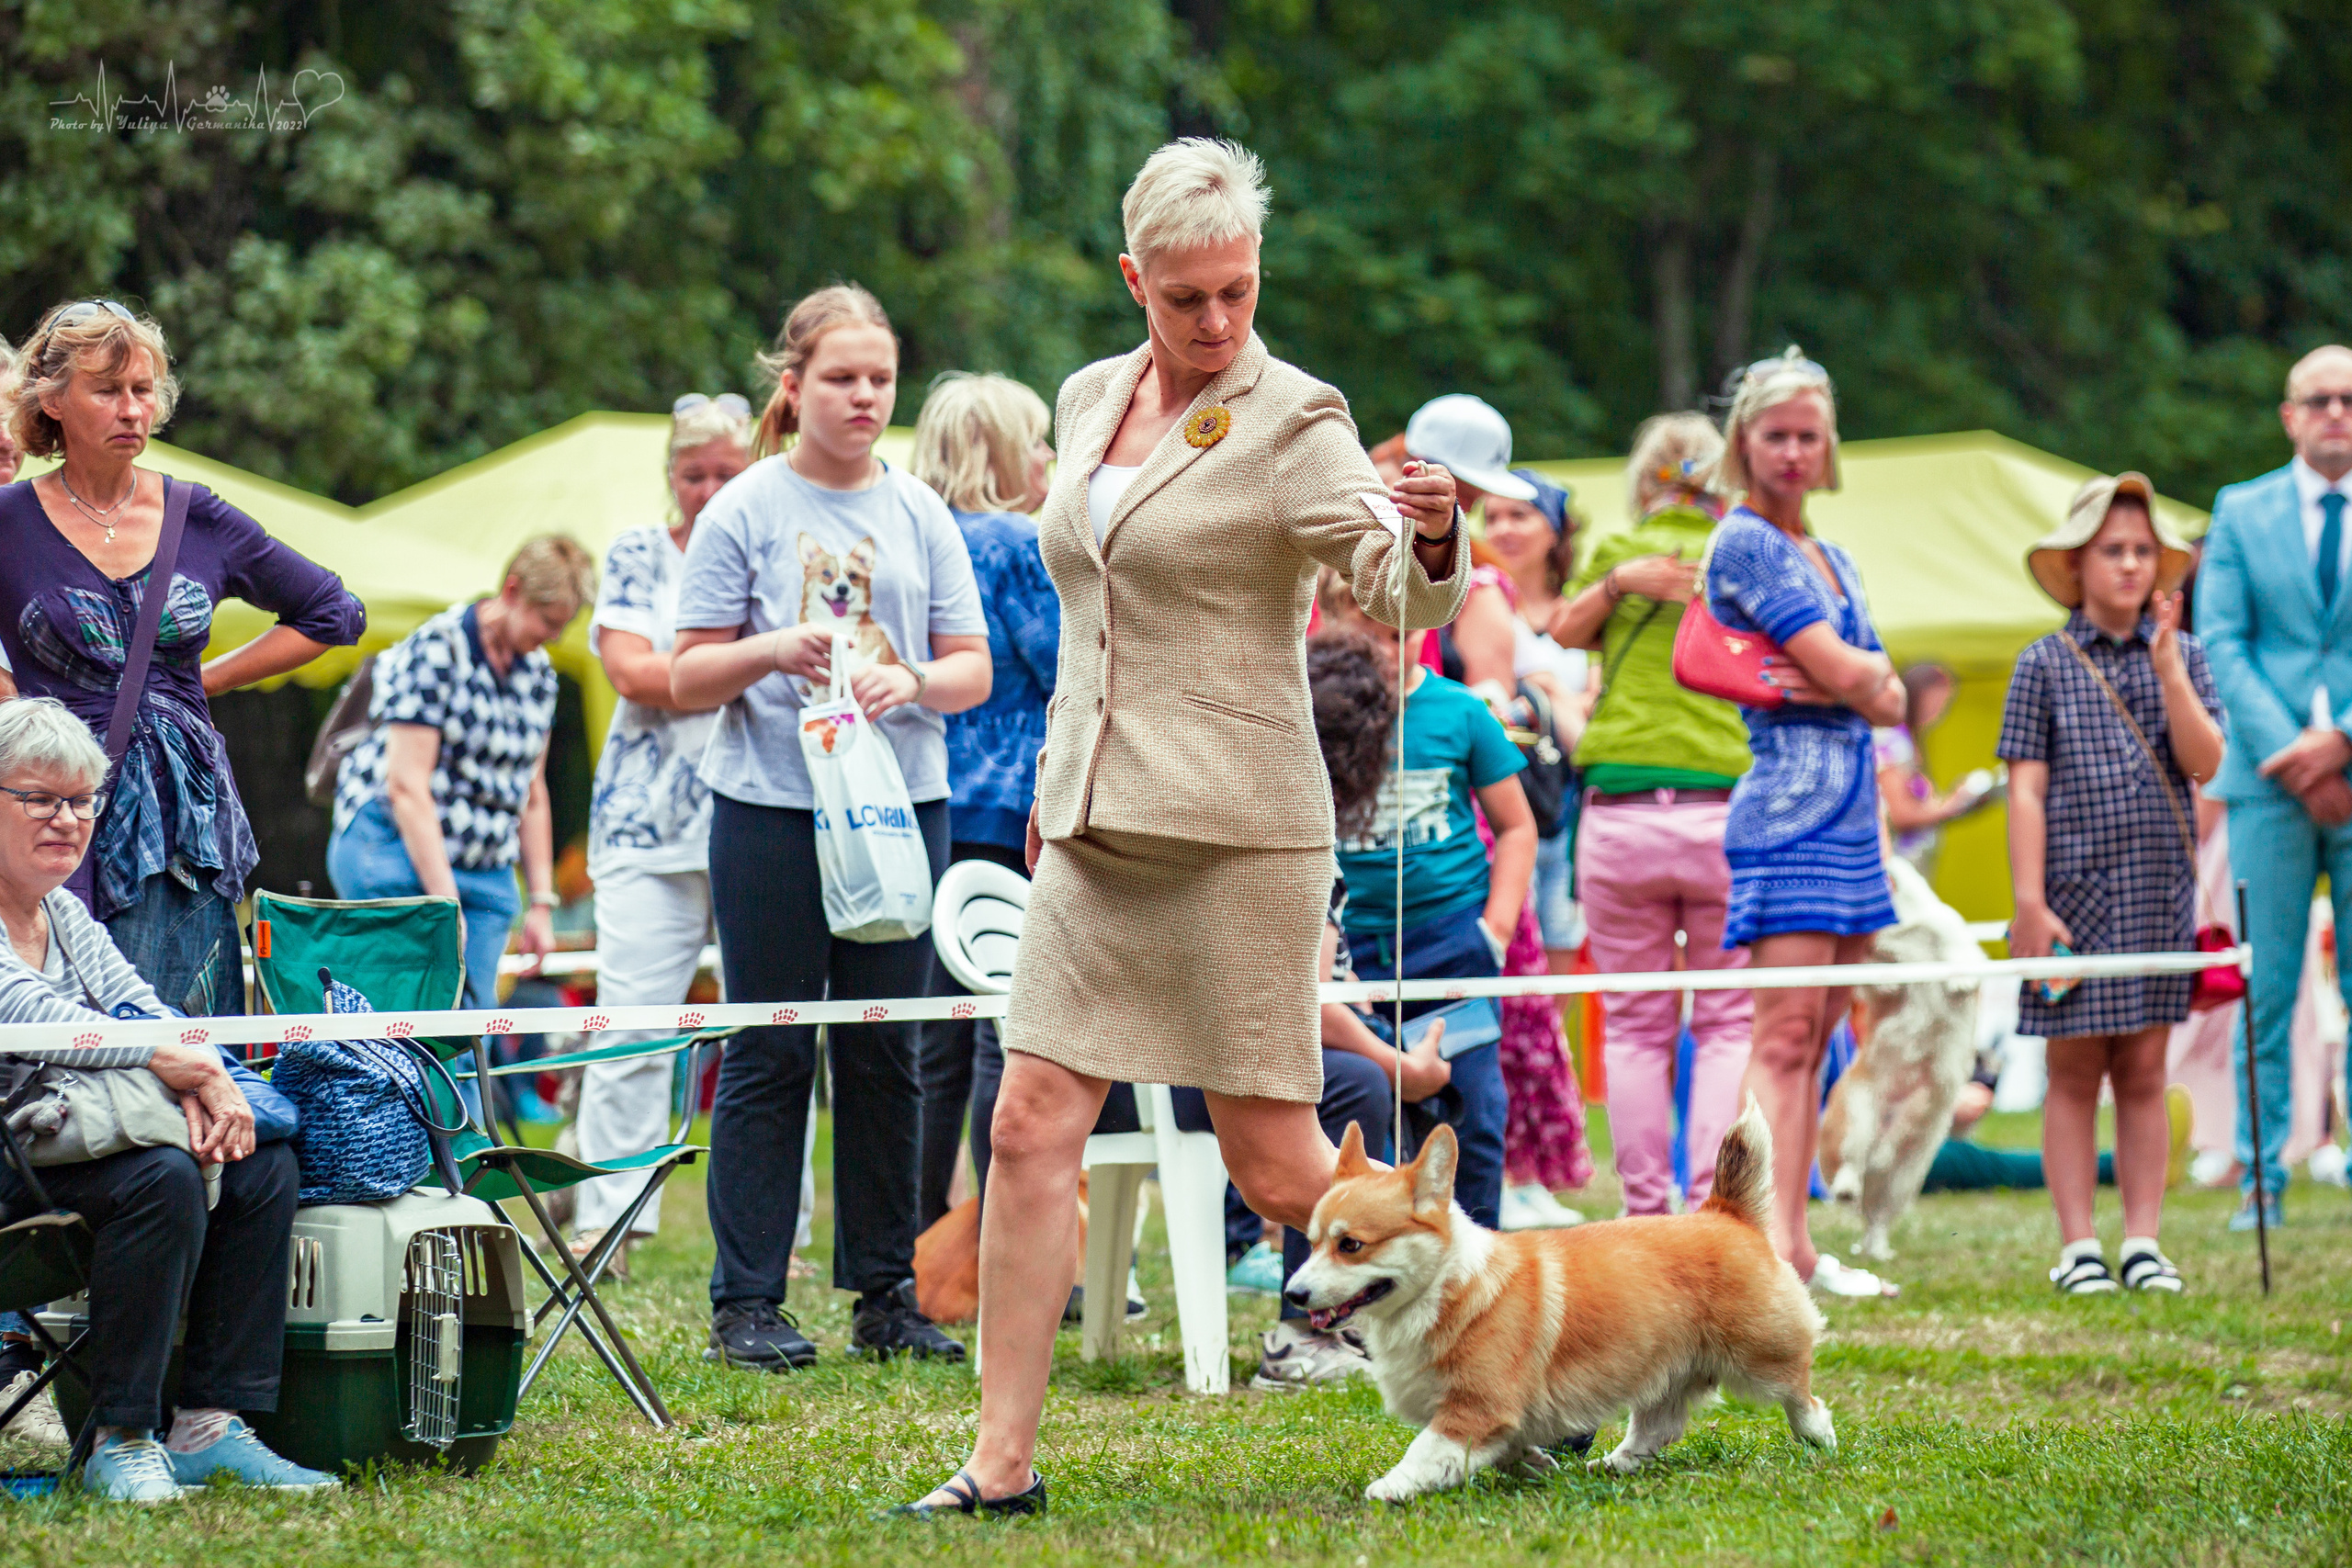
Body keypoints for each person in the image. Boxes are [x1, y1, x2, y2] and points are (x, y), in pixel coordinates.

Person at [899, 138, 1465, 1519]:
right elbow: (1088, 616)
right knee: (1031, 1124)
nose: (1217, 324)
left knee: (1281, 1166)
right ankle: (1000, 1463)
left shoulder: (1297, 415)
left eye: (1239, 293)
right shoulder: (1089, 398)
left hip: (1238, 836)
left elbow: (1397, 589)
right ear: (1132, 279)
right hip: (1092, 825)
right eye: (1186, 298)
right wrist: (1050, 793)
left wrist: (1437, 540)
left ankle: (1512, 1353)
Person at [670, 285, 992, 1373]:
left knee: (888, 1047)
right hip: (769, 807)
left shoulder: (920, 513)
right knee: (768, 1047)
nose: (864, 398)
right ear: (793, 386)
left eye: (880, 380)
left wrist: (911, 679)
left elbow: (971, 668)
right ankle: (747, 1301)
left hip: (901, 807)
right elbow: (684, 670)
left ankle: (887, 1294)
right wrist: (771, 649)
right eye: (842, 379)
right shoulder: (746, 508)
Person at [0, 697, 330, 1501]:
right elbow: (32, 1017)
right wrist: (167, 1058)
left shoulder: (67, 913)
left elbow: (146, 1007)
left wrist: (208, 1075)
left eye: (82, 801)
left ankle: (210, 1424)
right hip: (15, 1160)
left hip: (70, 1141)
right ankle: (124, 1435)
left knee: (257, 1156)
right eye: (39, 798)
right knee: (163, 1176)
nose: (67, 819)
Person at [0, 300, 365, 1012]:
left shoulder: (196, 514)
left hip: (180, 823)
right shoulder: (9, 521)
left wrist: (209, 679)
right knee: (63, 1040)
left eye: (143, 390)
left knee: (182, 1044)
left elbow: (334, 612)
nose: (132, 409)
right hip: (51, 816)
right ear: (52, 400)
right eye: (107, 391)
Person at [1703, 349, 1905, 1297]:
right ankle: (1765, 1247)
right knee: (1784, 1033)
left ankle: (1795, 1243)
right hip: (1787, 812)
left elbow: (1887, 693)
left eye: (1807, 436)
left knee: (1822, 1029)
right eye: (1775, 435)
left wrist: (1852, 678)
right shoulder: (1743, 543)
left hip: (1854, 817)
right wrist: (1852, 677)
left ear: (1829, 449)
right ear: (1744, 444)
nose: (1791, 452)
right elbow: (1859, 672)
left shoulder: (1835, 555)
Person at [2001, 474, 2221, 1292]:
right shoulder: (2042, 664)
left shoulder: (2187, 656)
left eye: (2141, 552)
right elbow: (2025, 786)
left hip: (2158, 893)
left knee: (2143, 1069)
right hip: (2070, 900)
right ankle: (2077, 1244)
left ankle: (2143, 1239)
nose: (2129, 565)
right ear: (2077, 563)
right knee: (2073, 1070)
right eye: (2112, 551)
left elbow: (2207, 764)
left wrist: (2169, 668)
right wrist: (2030, 901)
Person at [1547, 413, 1754, 1217]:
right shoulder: (1742, 554)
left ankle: (1645, 1211)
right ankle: (1712, 1213)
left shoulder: (1616, 556)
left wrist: (1616, 586)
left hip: (1621, 815)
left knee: (1634, 1026)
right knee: (1728, 1020)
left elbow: (1561, 630)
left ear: (1646, 480)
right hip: (1721, 814)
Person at [568, 393, 751, 1272]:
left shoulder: (769, 538)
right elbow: (629, 672)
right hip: (647, 821)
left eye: (727, 472)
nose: (710, 490)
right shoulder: (640, 549)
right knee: (630, 1022)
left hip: (758, 806)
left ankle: (768, 1235)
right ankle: (608, 1216)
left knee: (765, 1028)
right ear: (670, 476)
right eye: (694, 473)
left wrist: (694, 670)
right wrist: (746, 664)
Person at [329, 536, 593, 1055]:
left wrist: (541, 902)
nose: (552, 638)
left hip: (485, 867)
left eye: (563, 626)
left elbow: (531, 791)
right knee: (402, 1028)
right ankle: (389, 1136)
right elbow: (407, 785)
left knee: (472, 1036)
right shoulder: (437, 648)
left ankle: (470, 1138)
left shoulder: (538, 674)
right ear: (512, 591)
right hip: (392, 850)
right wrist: (444, 906)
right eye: (547, 621)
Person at [2199, 342, 2352, 1231]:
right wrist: (2293, 753)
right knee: (2267, 988)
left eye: (2348, 399)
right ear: (2289, 415)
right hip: (2265, 785)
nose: (2335, 412)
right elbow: (2222, 639)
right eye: (2318, 399)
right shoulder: (2239, 510)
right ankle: (2261, 1181)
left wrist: (2339, 741)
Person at [908, 370, 1058, 1230]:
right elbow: (1069, 670)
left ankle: (925, 1232)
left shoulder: (912, 537)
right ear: (1001, 451)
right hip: (1010, 816)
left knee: (930, 1035)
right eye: (1034, 439)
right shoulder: (1015, 544)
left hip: (925, 811)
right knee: (1008, 1034)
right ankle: (1012, 1233)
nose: (1046, 456)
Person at [1478, 466, 1595, 1225]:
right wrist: (1558, 700)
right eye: (1493, 513)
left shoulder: (1584, 615)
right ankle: (1514, 1171)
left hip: (1566, 820)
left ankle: (1533, 1171)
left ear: (1556, 528)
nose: (1506, 527)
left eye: (1523, 513)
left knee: (1542, 1009)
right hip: (1508, 815)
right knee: (1515, 1005)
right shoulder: (1480, 602)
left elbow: (1590, 732)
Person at [1873, 664, 1991, 874]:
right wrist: (1954, 804)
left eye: (1946, 703)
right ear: (1915, 694)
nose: (1940, 710)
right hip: (1898, 867)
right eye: (1937, 700)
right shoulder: (1894, 741)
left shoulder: (1911, 740)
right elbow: (1900, 814)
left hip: (1915, 863)